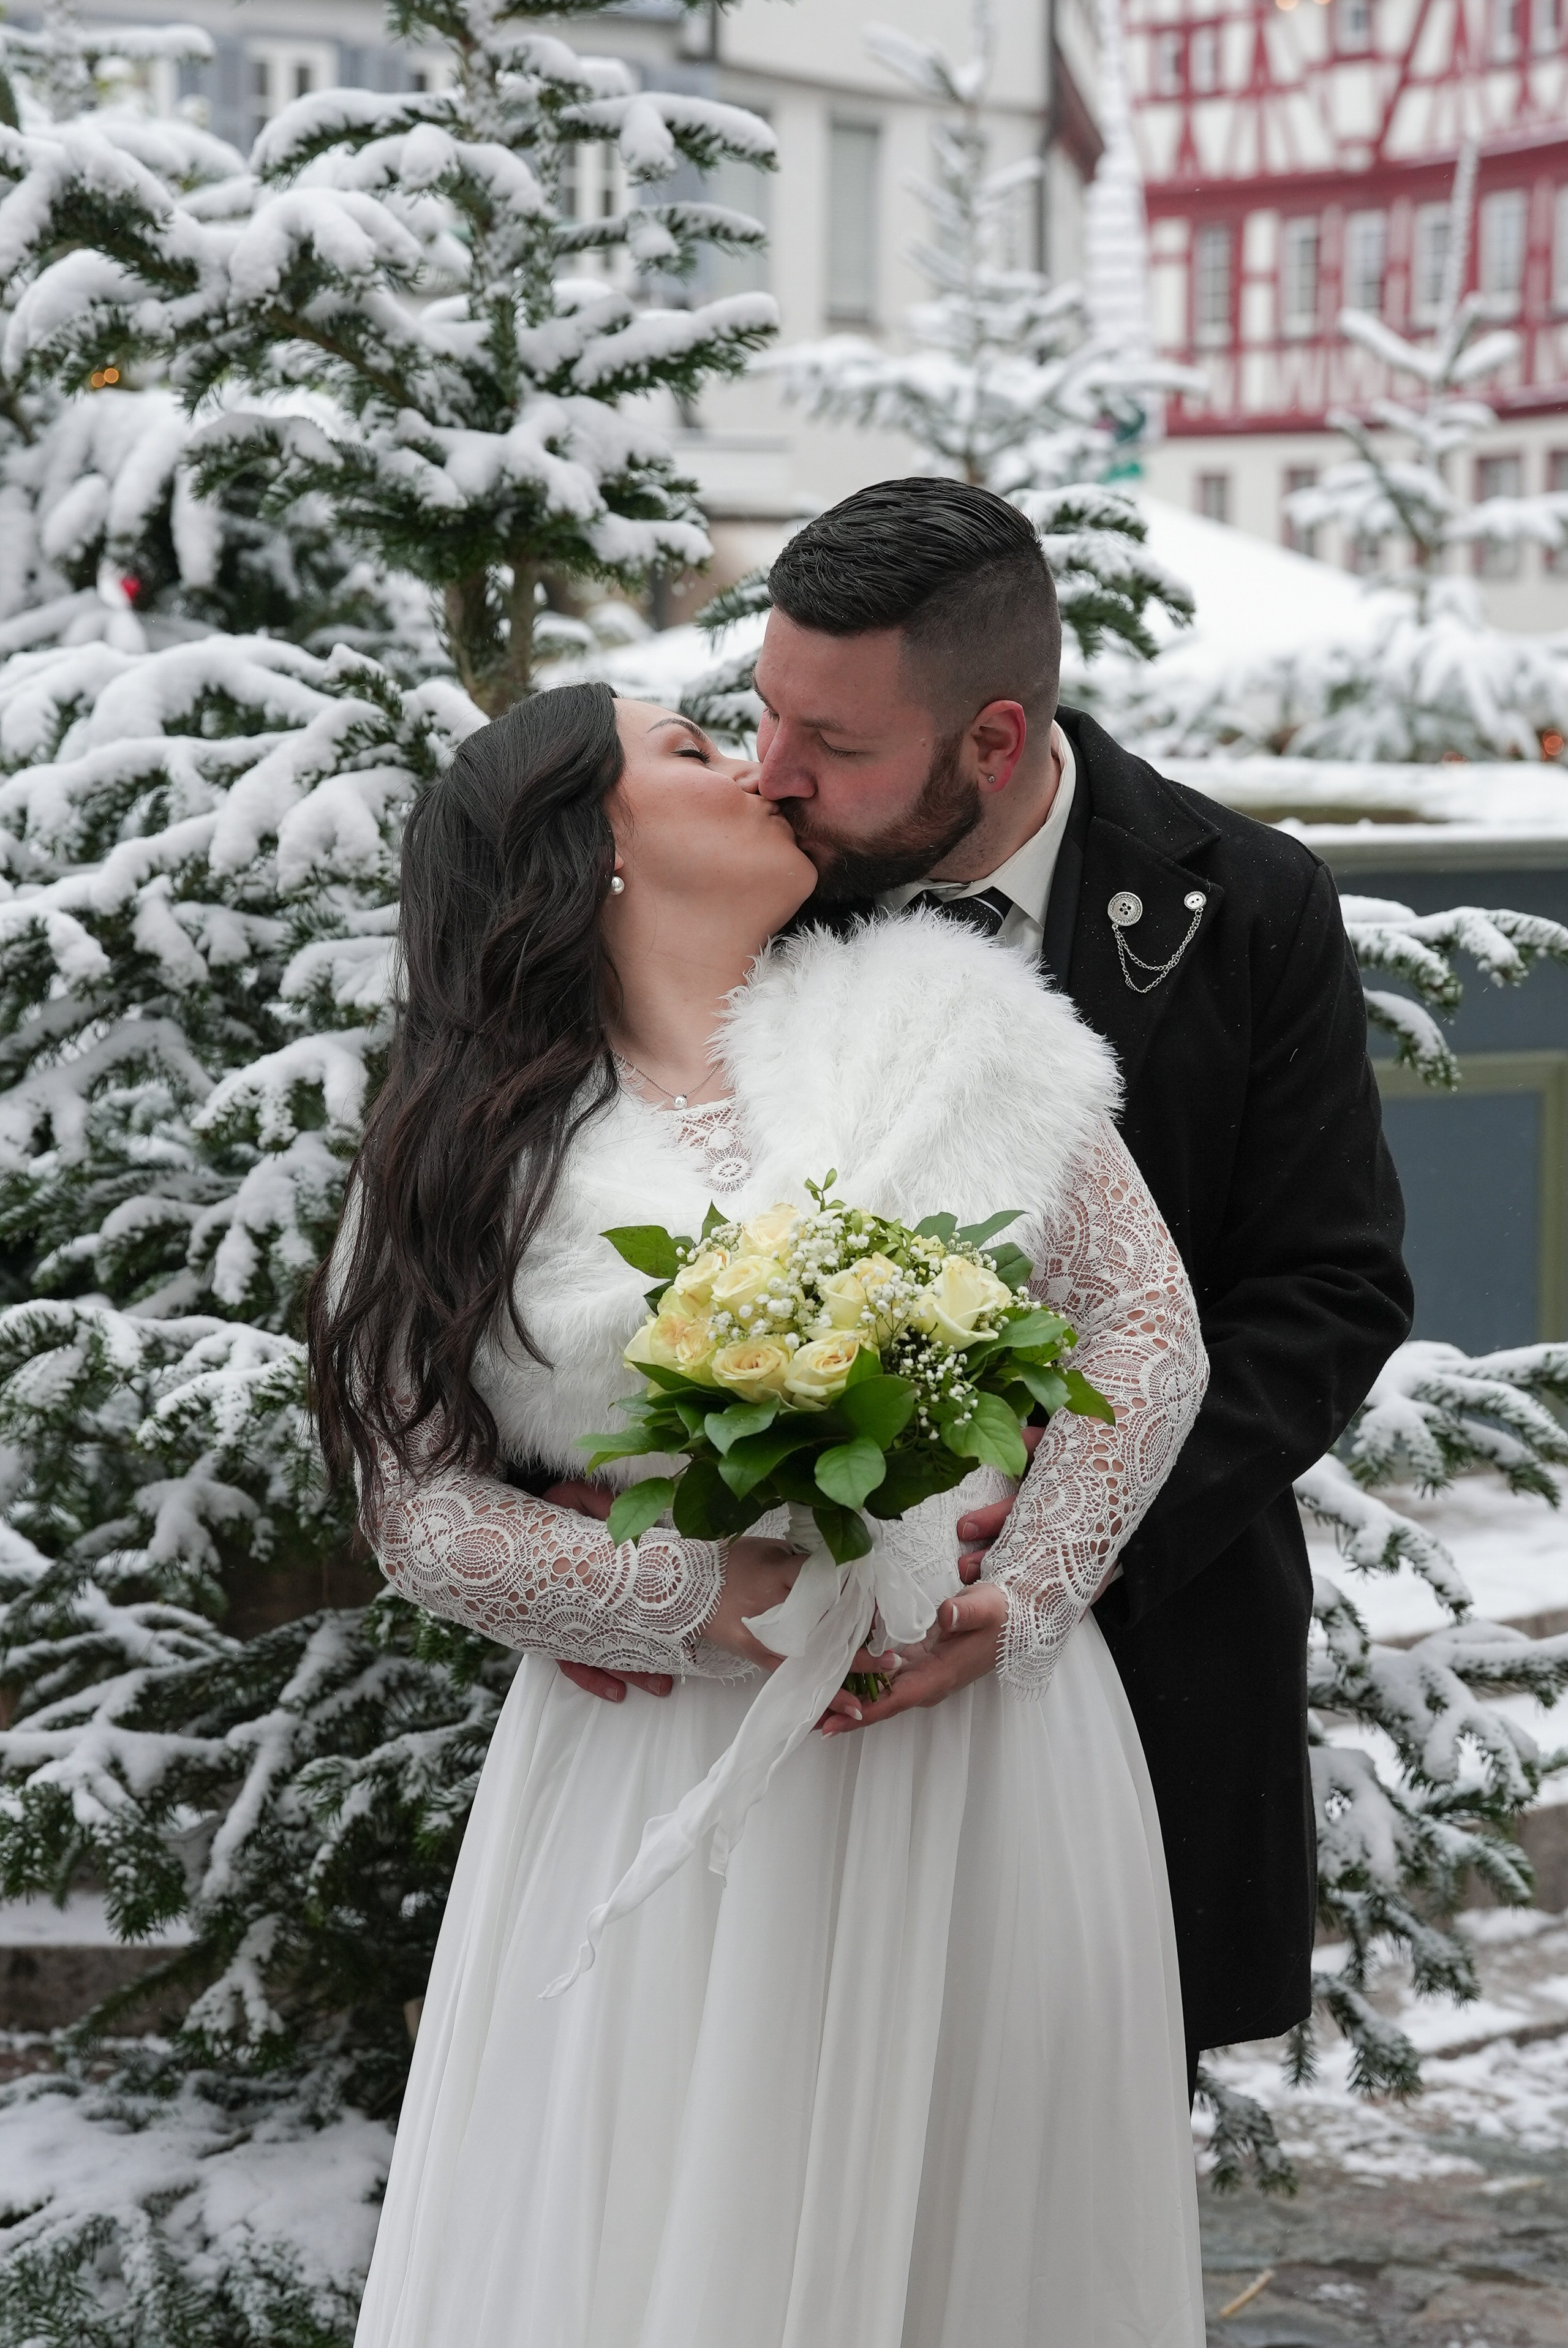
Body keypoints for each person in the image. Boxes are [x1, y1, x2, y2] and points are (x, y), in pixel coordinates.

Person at [317, 675, 1211, 2346]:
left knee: (984, 2236)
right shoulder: (468, 1147)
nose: (752, 764)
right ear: (585, 846)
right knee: (666, 2230)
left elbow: (1145, 1334)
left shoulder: (953, 1023)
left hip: (975, 1742)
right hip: (666, 1765)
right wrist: (687, 1595)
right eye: (690, 747)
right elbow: (411, 1504)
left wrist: (1017, 1596)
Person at [560, 478, 1415, 2093]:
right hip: (786, 1721)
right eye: (763, 710)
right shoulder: (757, 884)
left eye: (838, 743)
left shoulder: (1248, 903)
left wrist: (1061, 1539)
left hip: (1140, 1656)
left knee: (1056, 2152)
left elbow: (1326, 1291)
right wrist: (595, 1509)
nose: (773, 770)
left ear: (996, 739)